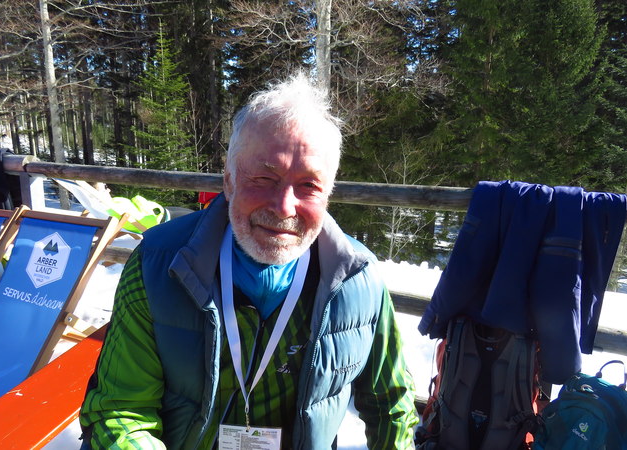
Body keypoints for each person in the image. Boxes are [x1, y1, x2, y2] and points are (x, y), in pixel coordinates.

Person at [79, 72, 418, 449]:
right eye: (264, 179)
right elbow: (119, 411)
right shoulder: (158, 265)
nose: (284, 207)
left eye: (308, 185)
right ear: (228, 180)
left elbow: (393, 408)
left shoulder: (357, 279)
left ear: (328, 193)